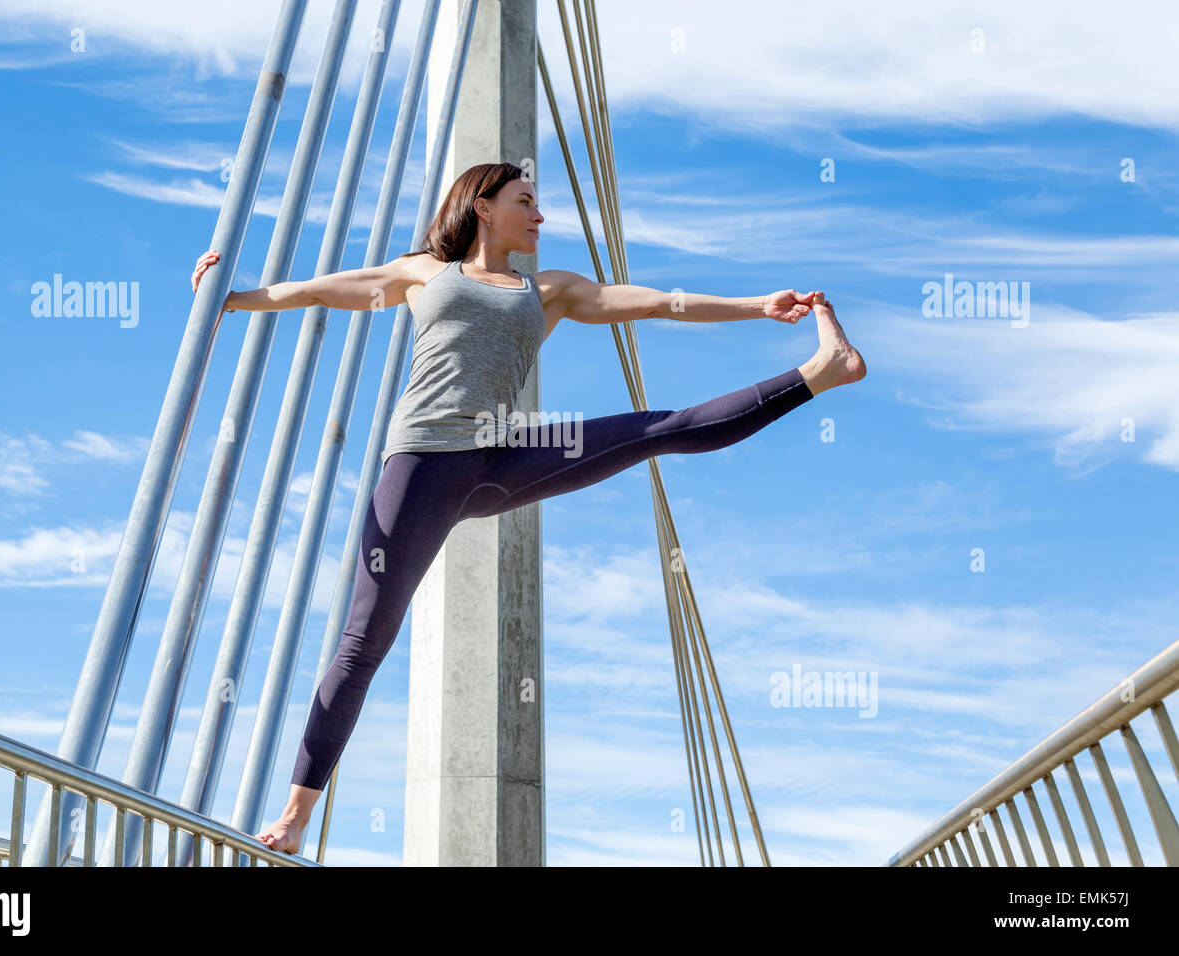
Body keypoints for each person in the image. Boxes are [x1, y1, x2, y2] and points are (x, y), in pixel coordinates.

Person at [189, 161, 866, 856]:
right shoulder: (424, 272)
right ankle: (296, 814)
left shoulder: (550, 291)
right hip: (422, 464)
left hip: (501, 459)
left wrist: (757, 304)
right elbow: (314, 291)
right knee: (365, 643)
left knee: (655, 429)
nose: (540, 216)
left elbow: (665, 303)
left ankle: (822, 373)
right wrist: (231, 296)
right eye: (526, 202)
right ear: (482, 207)